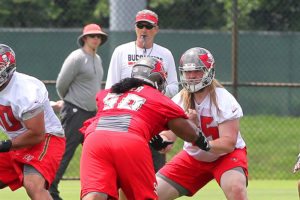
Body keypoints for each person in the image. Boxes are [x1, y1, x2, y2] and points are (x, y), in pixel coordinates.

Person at [79, 57, 211, 200]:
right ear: (157, 80)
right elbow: (187, 132)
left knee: (94, 195)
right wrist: (199, 138)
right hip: (130, 142)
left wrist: (153, 136)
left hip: (94, 140)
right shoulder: (157, 97)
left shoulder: (109, 93)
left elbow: (119, 118)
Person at [155, 47, 248, 200]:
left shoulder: (223, 99)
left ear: (208, 71)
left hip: (225, 156)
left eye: (197, 71)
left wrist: (203, 142)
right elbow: (169, 134)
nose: (191, 76)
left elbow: (229, 143)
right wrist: (163, 141)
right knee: (153, 193)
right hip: (193, 158)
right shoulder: (179, 100)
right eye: (187, 72)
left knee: (236, 189)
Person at [105, 8, 178, 173]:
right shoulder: (121, 51)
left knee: (154, 170)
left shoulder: (165, 54)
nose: (144, 30)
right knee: (123, 169)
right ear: (135, 27)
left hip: (153, 116)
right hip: (125, 116)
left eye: (148, 26)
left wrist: (152, 90)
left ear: (156, 29)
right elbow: (111, 86)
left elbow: (174, 86)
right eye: (140, 25)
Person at [49, 23, 108, 200]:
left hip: (92, 114)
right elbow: (61, 84)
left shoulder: (97, 59)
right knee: (65, 152)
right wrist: (69, 102)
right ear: (84, 39)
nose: (96, 39)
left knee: (98, 153)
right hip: (75, 112)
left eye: (98, 36)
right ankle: (50, 189)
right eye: (92, 36)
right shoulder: (76, 57)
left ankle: (99, 190)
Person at [0, 44, 65, 199]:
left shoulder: (25, 90)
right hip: (17, 141)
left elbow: (36, 134)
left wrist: (4, 145)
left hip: (47, 137)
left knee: (33, 184)